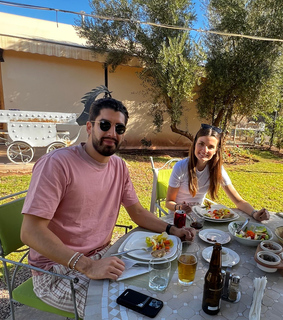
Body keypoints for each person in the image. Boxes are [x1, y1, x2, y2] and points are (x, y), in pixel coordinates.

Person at [20, 96, 195, 317]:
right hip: (57, 271)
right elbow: (30, 232)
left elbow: (138, 212)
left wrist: (172, 230)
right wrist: (88, 266)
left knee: (158, 289)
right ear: (89, 127)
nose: (112, 133)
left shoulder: (119, 166)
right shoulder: (57, 164)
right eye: (105, 125)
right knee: (127, 313)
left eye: (119, 128)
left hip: (104, 254)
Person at [165, 123, 270, 221]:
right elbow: (169, 202)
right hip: (178, 218)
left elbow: (238, 201)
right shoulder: (181, 167)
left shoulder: (217, 169)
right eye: (201, 144)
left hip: (199, 218)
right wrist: (179, 207)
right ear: (195, 144)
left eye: (211, 147)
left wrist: (255, 214)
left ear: (216, 150)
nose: (205, 150)